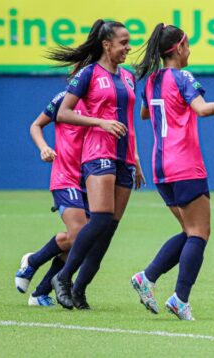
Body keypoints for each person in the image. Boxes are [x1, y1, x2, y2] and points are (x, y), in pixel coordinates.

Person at [129, 23, 214, 321]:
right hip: (185, 163)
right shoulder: (183, 76)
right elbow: (202, 109)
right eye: (188, 46)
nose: (190, 51)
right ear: (178, 48)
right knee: (200, 233)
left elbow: (145, 113)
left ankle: (147, 278)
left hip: (161, 166)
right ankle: (180, 299)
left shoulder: (152, 81)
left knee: (190, 232)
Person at [47, 19, 145, 310]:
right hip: (97, 151)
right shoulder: (88, 74)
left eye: (129, 42)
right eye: (123, 42)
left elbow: (128, 121)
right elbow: (63, 113)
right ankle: (62, 278)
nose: (129, 47)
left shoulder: (129, 77)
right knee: (100, 219)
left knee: (110, 228)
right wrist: (100, 122)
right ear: (106, 45)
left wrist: (136, 159)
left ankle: (79, 289)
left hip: (124, 156)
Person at [15, 90, 88, 307]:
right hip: (65, 176)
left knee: (84, 242)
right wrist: (44, 147)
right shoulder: (65, 98)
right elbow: (36, 125)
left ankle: (40, 293)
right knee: (79, 235)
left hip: (92, 179)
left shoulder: (105, 97)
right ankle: (33, 260)